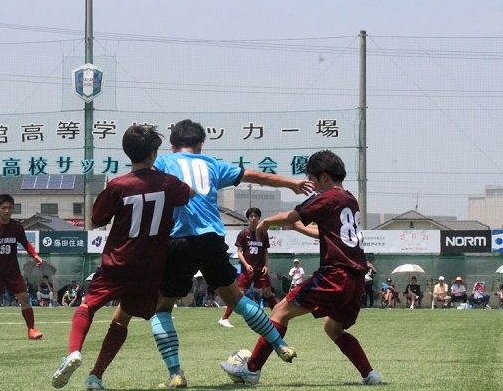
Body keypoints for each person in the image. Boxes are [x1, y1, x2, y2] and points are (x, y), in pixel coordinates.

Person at [149, 119, 314, 388]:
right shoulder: (212, 163)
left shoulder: (165, 163)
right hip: (212, 239)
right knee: (236, 299)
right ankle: (280, 343)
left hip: (179, 240)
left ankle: (176, 374)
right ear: (201, 144)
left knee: (162, 308)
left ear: (172, 145)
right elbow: (257, 176)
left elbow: (145, 179)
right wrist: (291, 184)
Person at [51, 124, 194, 390]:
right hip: (150, 268)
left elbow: (95, 220)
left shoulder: (119, 185)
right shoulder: (168, 183)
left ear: (128, 153)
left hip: (118, 261)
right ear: (154, 153)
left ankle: (73, 352)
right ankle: (96, 376)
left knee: (87, 306)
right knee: (121, 319)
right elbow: (189, 194)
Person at [221, 149, 382, 386]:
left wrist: (266, 221)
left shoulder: (326, 197)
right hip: (356, 277)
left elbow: (291, 214)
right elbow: (326, 232)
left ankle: (251, 370)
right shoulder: (349, 199)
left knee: (279, 312)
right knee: (333, 328)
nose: (313, 186)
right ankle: (369, 374)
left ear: (324, 177)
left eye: (313, 180)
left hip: (335, 273)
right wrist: (297, 228)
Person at [0, 193, 44, 341]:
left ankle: (31, 330)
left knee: (24, 297)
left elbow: (25, 242)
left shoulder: (16, 226)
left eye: (10, 208)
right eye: (4, 207)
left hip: (12, 271)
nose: (7, 211)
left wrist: (35, 255)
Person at [219, 207, 278, 328]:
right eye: (251, 216)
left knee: (267, 291)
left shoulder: (263, 234)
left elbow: (266, 251)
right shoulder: (243, 234)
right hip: (248, 269)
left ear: (259, 218)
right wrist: (246, 265)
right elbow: (239, 252)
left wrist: (266, 265)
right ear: (248, 218)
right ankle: (224, 318)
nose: (253, 218)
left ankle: (278, 315)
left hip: (261, 268)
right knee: (239, 293)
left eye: (256, 216)